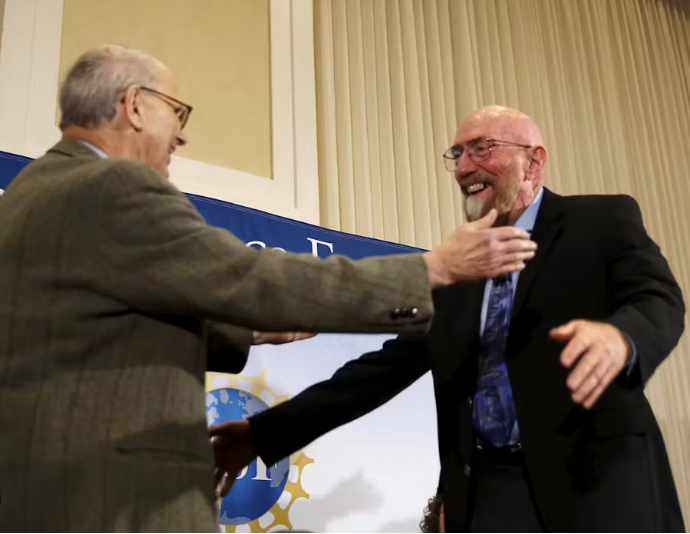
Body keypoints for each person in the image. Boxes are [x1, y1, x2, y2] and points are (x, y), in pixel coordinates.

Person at [0, 46, 537, 533]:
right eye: (177, 112)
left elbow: (93, 324)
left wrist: (247, 331)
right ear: (135, 106)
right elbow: (245, 277)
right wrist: (430, 270)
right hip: (113, 504)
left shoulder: (29, 195)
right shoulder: (114, 185)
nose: (182, 134)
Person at [217, 106, 686, 532]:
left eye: (483, 149)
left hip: (599, 491)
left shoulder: (601, 220)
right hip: (490, 500)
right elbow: (376, 374)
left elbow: (659, 299)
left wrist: (623, 339)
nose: (463, 167)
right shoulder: (456, 270)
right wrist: (263, 434)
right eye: (457, 153)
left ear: (534, 160)